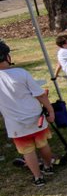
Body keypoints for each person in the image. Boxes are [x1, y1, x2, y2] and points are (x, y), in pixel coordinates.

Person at [0, 40, 56, 186]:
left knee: (27, 151)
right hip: (36, 118)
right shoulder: (21, 73)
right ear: (8, 57)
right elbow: (40, 94)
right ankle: (48, 166)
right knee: (43, 144)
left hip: (15, 124)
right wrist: (50, 110)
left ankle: (38, 177)